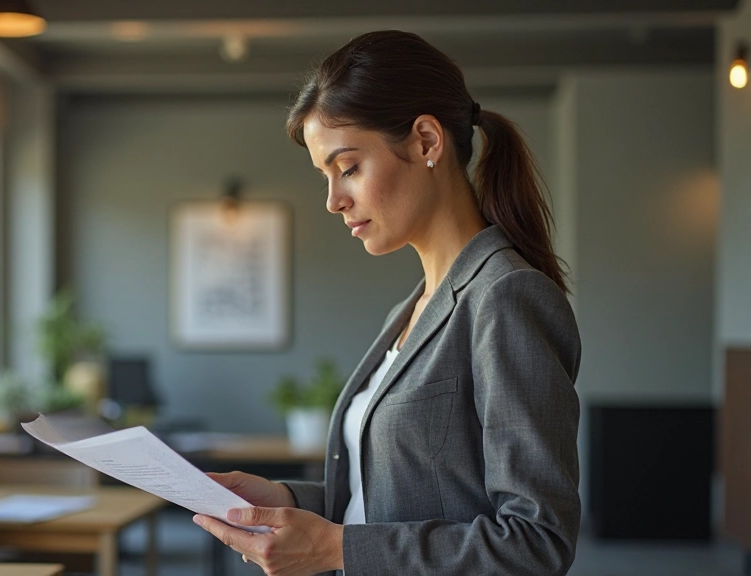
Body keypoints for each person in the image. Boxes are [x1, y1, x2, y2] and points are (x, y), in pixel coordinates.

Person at [192, 29, 582, 576]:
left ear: (425, 141)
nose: (333, 201)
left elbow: (535, 543)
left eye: (348, 167)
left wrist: (336, 549)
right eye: (326, 177)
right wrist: (280, 498)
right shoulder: (408, 310)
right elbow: (385, 500)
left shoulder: (505, 297)